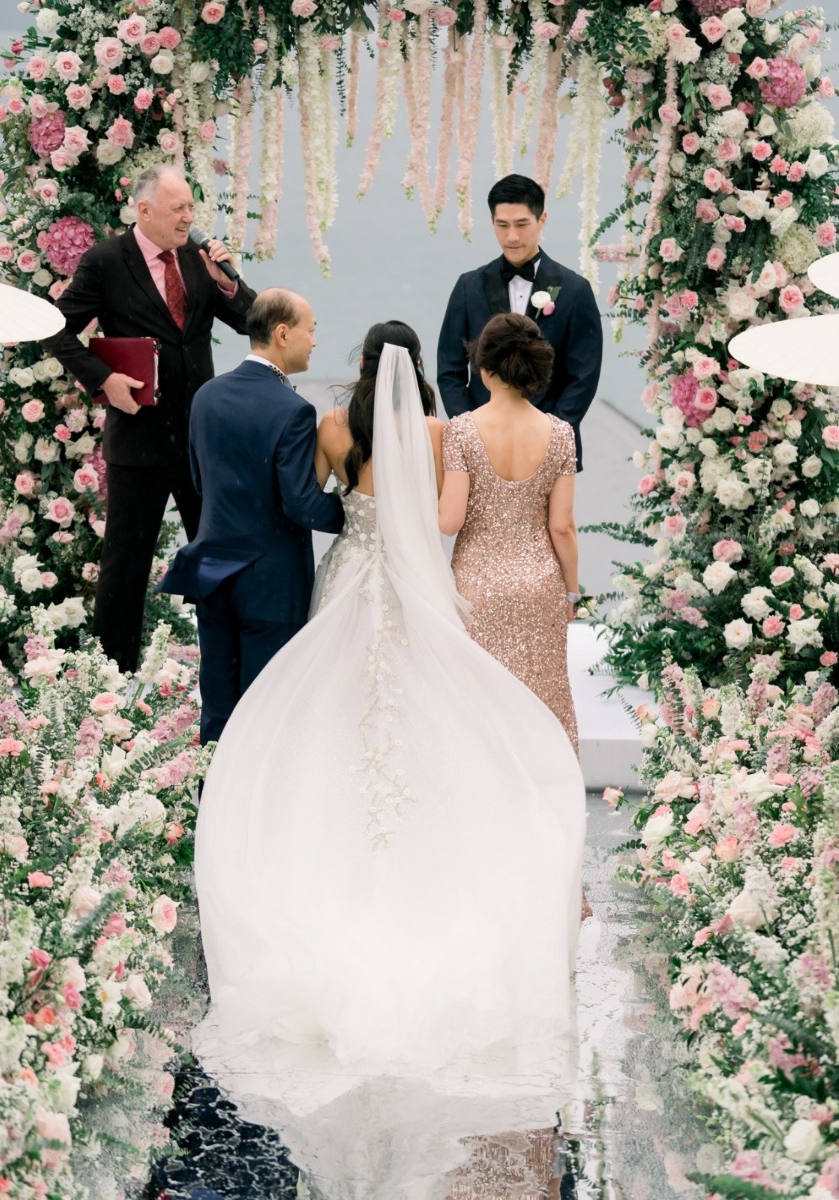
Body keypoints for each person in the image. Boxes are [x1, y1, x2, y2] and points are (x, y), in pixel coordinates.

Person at [191, 321, 586, 1121]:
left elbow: (310, 503)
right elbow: (439, 512)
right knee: (424, 699)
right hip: (412, 584)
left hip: (349, 574)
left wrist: (356, 519)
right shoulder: (442, 428)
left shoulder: (335, 425)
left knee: (330, 705)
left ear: (362, 361)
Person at [43, 164, 257, 673]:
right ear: (144, 211)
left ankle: (229, 668)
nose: (189, 218)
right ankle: (111, 681)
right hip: (137, 439)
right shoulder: (105, 262)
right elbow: (55, 330)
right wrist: (104, 381)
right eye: (178, 208)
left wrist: (229, 282)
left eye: (190, 208)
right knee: (125, 568)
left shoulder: (200, 259)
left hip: (201, 442)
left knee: (217, 556)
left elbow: (255, 322)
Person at [159, 289, 344, 746]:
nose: (315, 341)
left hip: (214, 573)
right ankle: (259, 812)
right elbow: (300, 503)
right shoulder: (293, 410)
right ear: (283, 334)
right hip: (271, 583)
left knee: (218, 707)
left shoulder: (207, 395)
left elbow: (201, 482)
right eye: (311, 330)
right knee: (268, 707)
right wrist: (358, 513)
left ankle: (211, 806)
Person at [440, 312, 580, 757]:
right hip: (540, 588)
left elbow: (450, 521)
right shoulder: (560, 434)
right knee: (542, 699)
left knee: (479, 708)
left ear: (483, 367)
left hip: (476, 587)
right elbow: (562, 526)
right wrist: (572, 592)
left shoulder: (461, 430)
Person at [436, 173, 602, 471]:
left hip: (550, 446)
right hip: (480, 447)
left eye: (522, 224)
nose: (511, 236)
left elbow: (583, 374)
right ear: (492, 222)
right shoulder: (468, 286)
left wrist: (552, 432)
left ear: (542, 220)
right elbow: (450, 369)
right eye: (502, 225)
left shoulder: (575, 290)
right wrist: (472, 430)